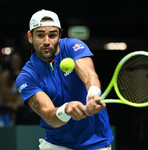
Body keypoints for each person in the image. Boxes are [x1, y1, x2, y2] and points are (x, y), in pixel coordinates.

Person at [16, 9, 114, 150]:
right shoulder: (27, 77)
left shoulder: (73, 46)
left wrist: (93, 94)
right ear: (30, 37)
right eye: (40, 35)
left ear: (60, 35)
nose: (46, 41)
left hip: (96, 143)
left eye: (52, 35)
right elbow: (49, 116)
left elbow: (89, 74)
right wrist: (66, 110)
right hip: (56, 145)